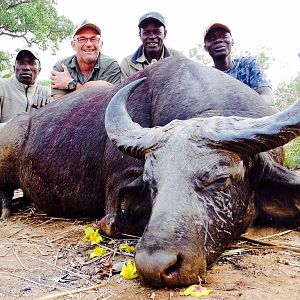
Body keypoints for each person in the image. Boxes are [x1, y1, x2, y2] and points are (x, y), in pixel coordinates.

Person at [203, 23, 275, 106]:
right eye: (212, 38)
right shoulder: (205, 77)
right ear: (205, 47)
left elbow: (268, 98)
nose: (218, 40)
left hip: (253, 116)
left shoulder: (248, 64)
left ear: (232, 41)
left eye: (224, 36)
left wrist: (240, 105)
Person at [51, 20, 121, 100]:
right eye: (82, 39)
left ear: (101, 44)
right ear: (73, 45)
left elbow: (109, 101)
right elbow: (59, 104)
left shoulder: (111, 65)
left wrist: (72, 84)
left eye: (94, 39)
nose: (88, 44)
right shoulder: (61, 66)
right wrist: (92, 89)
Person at [120, 12, 181, 81]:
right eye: (146, 33)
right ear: (140, 35)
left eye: (157, 32)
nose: (152, 37)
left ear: (165, 34)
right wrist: (145, 75)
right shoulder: (127, 64)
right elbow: (123, 90)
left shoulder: (179, 59)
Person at [0, 49, 51, 123]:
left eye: (32, 63)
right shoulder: (2, 86)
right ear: (14, 68)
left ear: (39, 70)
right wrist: (18, 124)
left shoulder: (46, 93)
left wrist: (48, 106)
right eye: (20, 63)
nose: (26, 67)